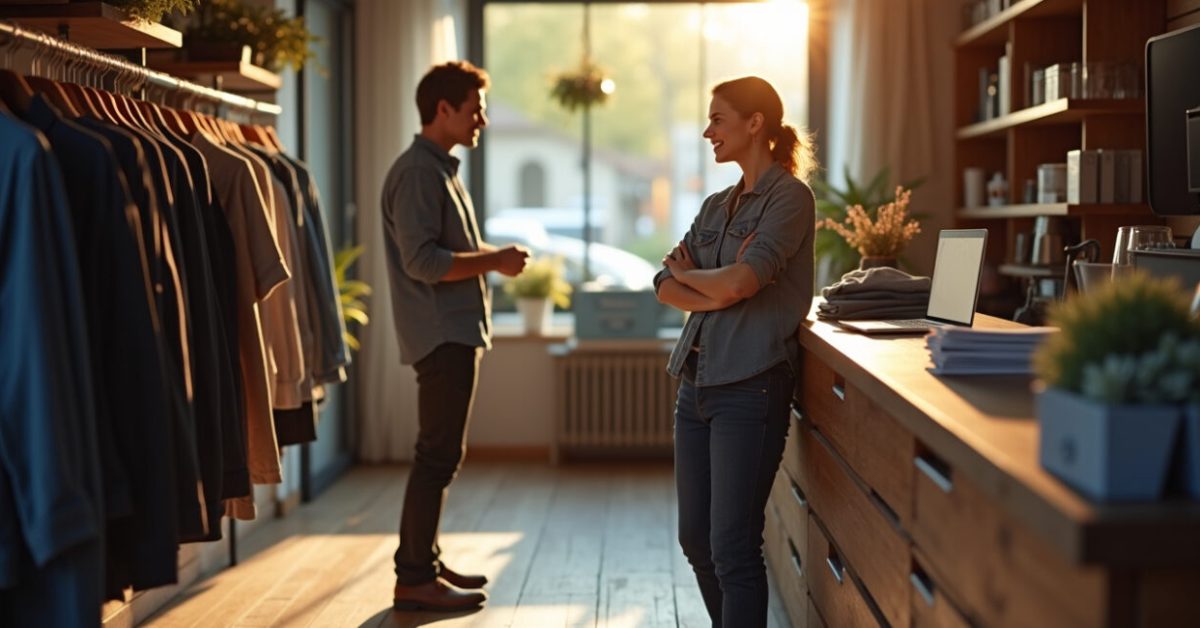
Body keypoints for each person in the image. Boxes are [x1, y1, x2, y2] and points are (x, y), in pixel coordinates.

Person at [655, 76, 816, 627]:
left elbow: (737, 287)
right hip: (696, 381)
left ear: (755, 124)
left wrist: (702, 279)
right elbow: (663, 282)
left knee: (733, 546)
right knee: (695, 539)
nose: (707, 131)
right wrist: (708, 280)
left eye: (718, 120)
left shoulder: (791, 198)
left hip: (752, 384)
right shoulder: (715, 204)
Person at [381, 60, 529, 612]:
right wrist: (495, 259)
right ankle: (414, 575)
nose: (482, 121)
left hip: (451, 334)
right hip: (440, 337)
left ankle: (426, 560)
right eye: (474, 109)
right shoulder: (420, 173)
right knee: (436, 456)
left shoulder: (438, 168)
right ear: (442, 110)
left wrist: (491, 259)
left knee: (441, 454)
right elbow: (422, 262)